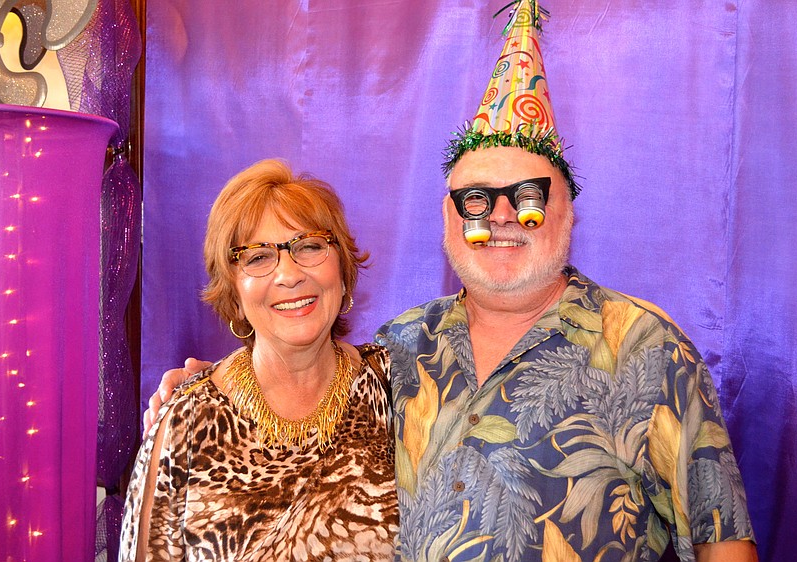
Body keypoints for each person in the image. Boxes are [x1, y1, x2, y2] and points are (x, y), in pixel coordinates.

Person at [144, 2, 757, 560]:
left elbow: (722, 544)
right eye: (474, 199)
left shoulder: (650, 352)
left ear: (568, 215)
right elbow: (304, 383)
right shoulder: (401, 351)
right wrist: (209, 390)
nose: (499, 216)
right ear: (447, 219)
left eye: (529, 197)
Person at [120, 159, 398, 561]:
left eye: (309, 246)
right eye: (257, 257)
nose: (288, 274)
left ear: (342, 266)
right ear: (233, 288)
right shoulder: (188, 421)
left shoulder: (399, 388)